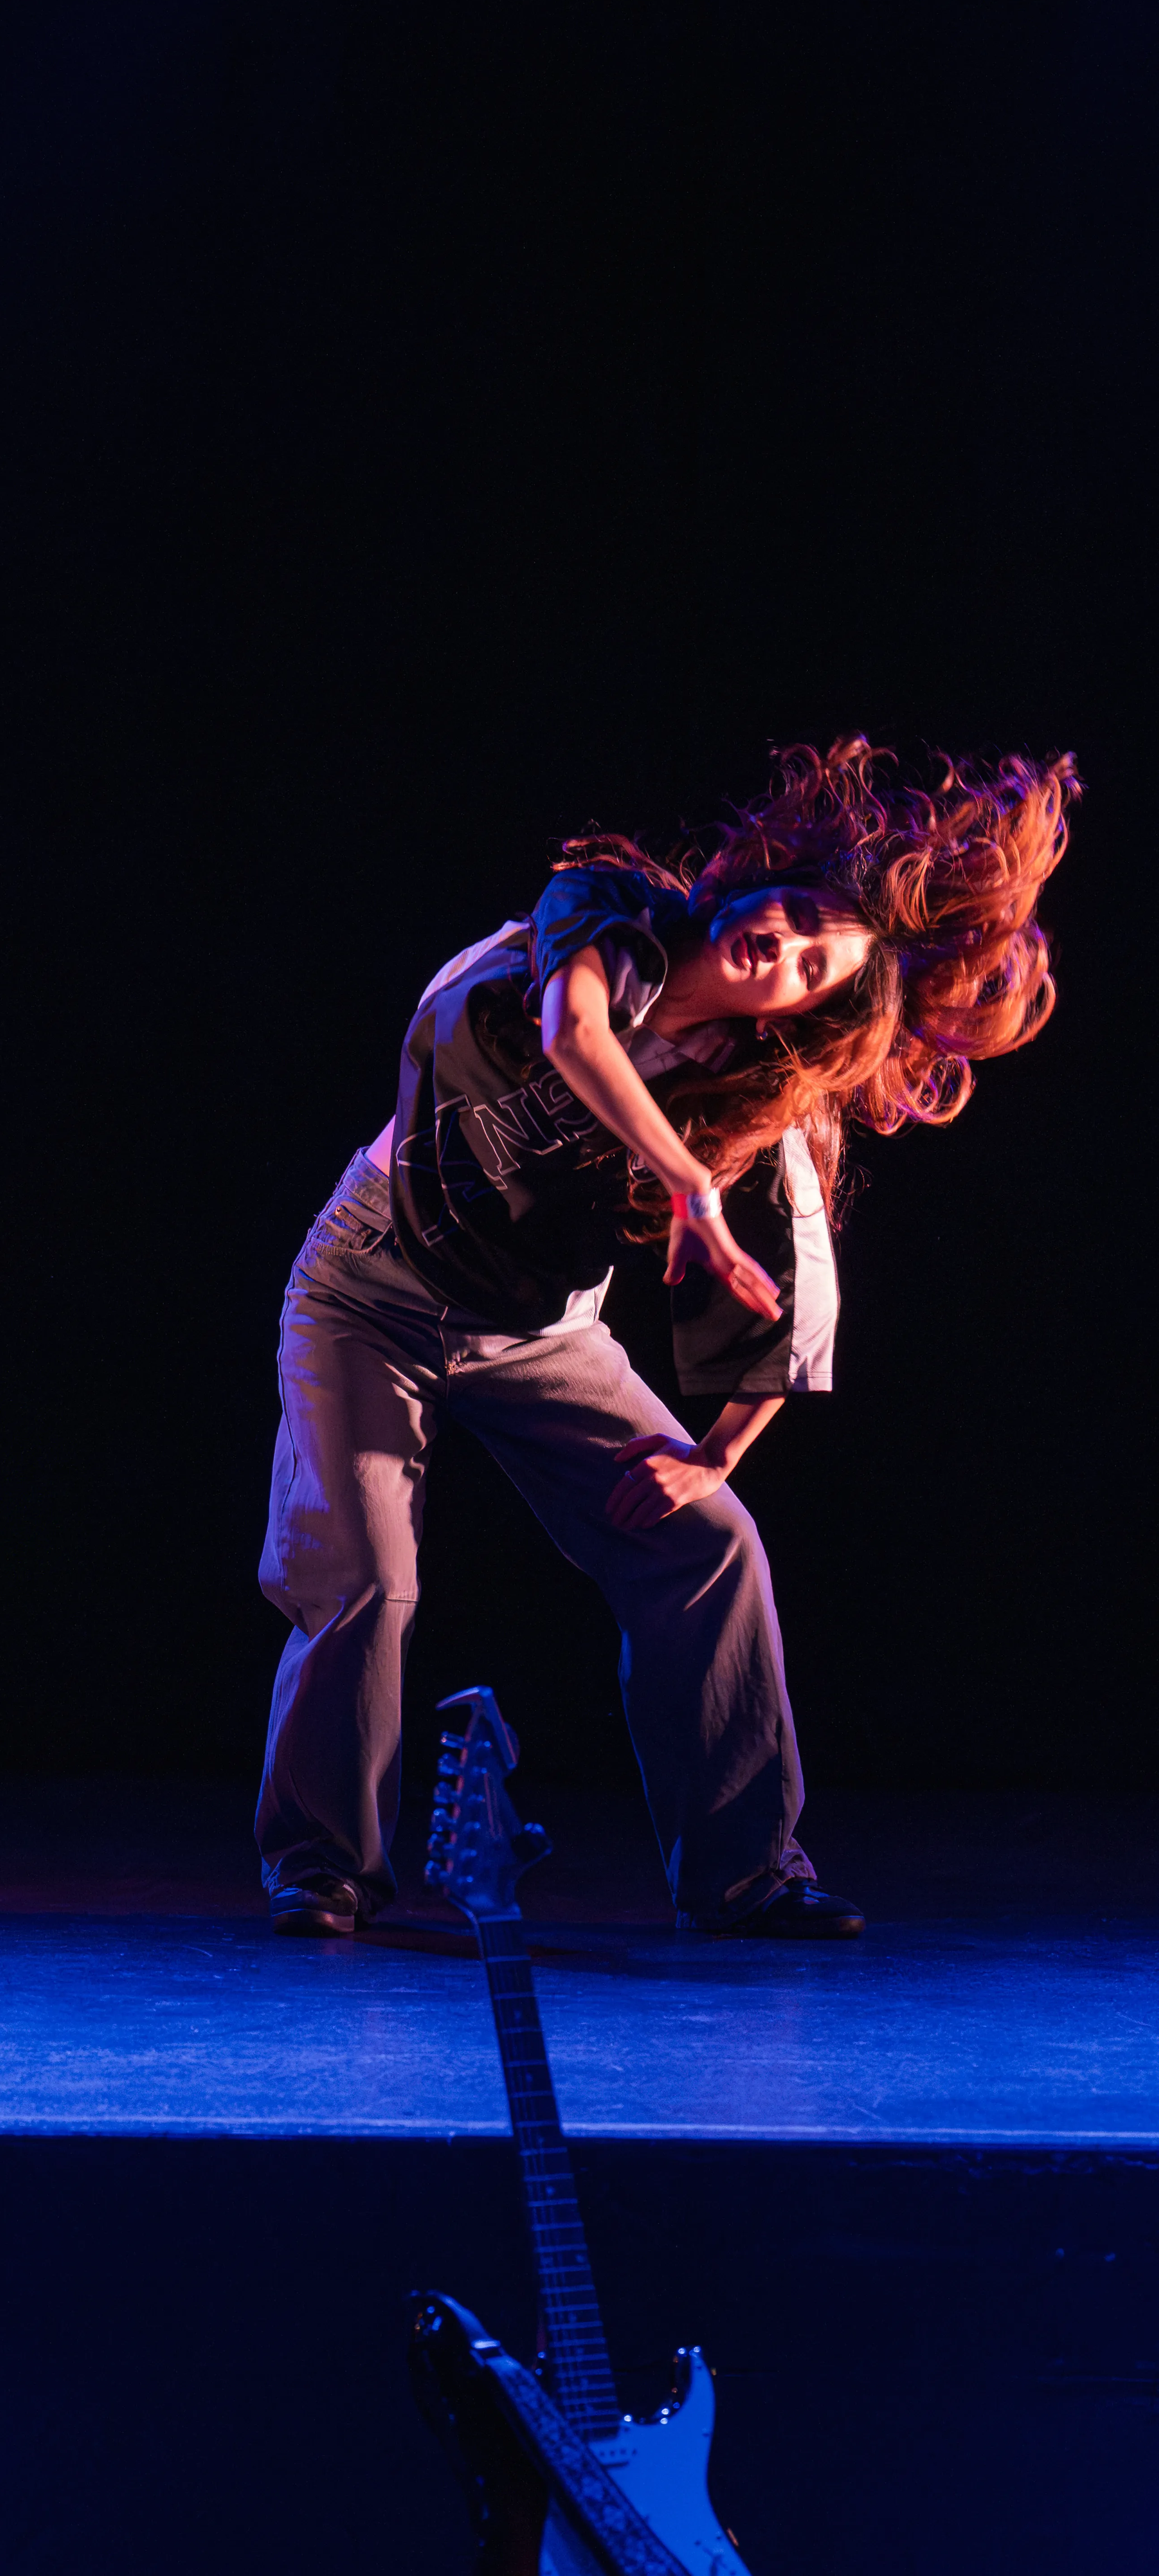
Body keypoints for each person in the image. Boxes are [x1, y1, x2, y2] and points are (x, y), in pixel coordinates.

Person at [256, 739, 1076, 1937]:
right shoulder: (606, 906)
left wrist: (719, 1453)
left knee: (712, 1546)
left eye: (812, 964)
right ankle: (325, 1869)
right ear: (749, 882)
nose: (784, 947)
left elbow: (802, 1305)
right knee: (365, 1577)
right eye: (792, 913)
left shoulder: (752, 1099)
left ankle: (748, 1872)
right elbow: (574, 1032)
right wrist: (690, 1191)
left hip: (537, 1331)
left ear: (809, 1007)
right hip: (369, 1288)